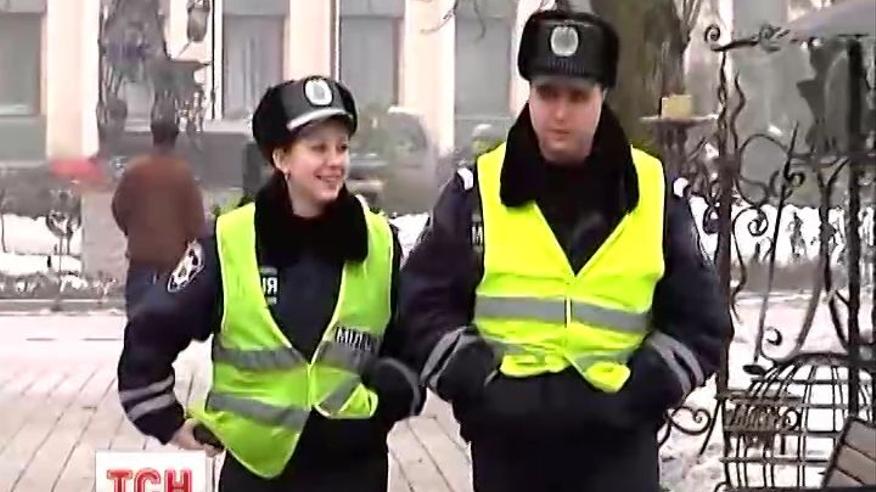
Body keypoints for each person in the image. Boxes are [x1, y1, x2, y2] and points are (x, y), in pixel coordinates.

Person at [399, 9, 733, 492]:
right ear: (529, 94)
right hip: (509, 449)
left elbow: (703, 324)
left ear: (603, 96)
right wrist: (482, 384)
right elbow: (421, 309)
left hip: (619, 451)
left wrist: (637, 393)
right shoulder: (476, 193)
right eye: (546, 93)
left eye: (577, 97)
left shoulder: (654, 193)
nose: (559, 113)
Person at [116, 76, 423, 491]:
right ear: (281, 158)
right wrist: (165, 419)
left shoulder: (380, 242)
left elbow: (414, 337)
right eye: (318, 148)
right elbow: (152, 328)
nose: (335, 161)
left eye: (342, 147)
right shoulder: (228, 241)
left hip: (355, 469)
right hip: (256, 473)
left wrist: (394, 394)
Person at [111, 118, 205, 313]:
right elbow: (195, 221)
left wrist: (133, 232)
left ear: (153, 137)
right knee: (169, 317)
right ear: (175, 140)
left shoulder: (135, 171)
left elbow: (119, 207)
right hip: (173, 259)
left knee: (137, 315)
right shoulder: (183, 174)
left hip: (141, 255)